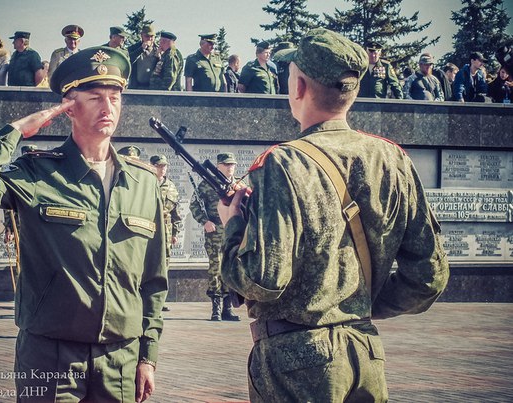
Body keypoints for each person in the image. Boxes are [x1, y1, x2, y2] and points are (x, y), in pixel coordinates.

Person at [217, 28, 449, 402]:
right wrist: (357, 306)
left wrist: (231, 228)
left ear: (300, 87)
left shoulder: (284, 163)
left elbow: (263, 280)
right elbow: (429, 277)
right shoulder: (392, 159)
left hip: (296, 363)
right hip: (365, 354)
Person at [0, 46, 167, 402]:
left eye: (115, 97)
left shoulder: (143, 183)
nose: (108, 107)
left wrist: (148, 355)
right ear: (69, 105)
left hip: (121, 359)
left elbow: (153, 280)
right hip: (50, 356)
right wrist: (18, 129)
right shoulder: (37, 172)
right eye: (96, 97)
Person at [189, 153, 241, 322]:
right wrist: (205, 222)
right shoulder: (207, 185)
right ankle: (216, 308)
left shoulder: (240, 185)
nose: (230, 167)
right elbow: (194, 204)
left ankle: (228, 308)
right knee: (216, 268)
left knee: (231, 268)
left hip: (234, 232)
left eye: (232, 164)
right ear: (218, 166)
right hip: (215, 232)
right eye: (226, 164)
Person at [150, 154, 182, 312]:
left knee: (164, 264)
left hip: (166, 231)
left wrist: (175, 232)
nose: (162, 169)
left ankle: (160, 300)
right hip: (148, 229)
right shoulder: (146, 183)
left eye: (164, 166)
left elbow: (176, 211)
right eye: (159, 166)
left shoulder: (171, 186)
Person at [128, 25, 160, 90]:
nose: (149, 39)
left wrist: (160, 58)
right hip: (136, 87)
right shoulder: (133, 48)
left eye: (152, 36)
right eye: (147, 36)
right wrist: (141, 49)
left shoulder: (158, 49)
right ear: (141, 35)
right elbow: (129, 60)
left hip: (153, 88)